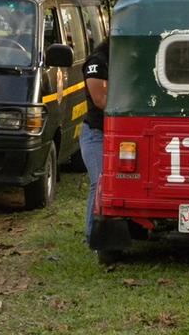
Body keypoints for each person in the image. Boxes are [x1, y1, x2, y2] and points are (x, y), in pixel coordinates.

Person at [79, 38, 109, 245]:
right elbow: (100, 100)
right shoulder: (97, 62)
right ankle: (93, 235)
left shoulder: (124, 59)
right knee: (99, 181)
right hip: (95, 133)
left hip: (117, 133)